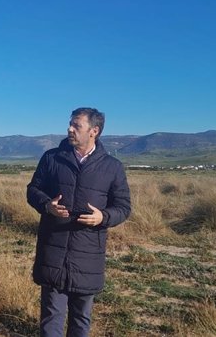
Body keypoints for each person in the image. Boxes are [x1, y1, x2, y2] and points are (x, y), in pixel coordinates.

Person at [26, 107, 131, 337]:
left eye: (76, 125)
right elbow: (33, 190)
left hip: (88, 257)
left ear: (94, 131)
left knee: (81, 321)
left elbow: (123, 206)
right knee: (51, 320)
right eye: (70, 124)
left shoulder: (112, 167)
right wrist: (47, 206)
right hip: (53, 253)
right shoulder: (52, 158)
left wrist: (103, 217)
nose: (69, 129)